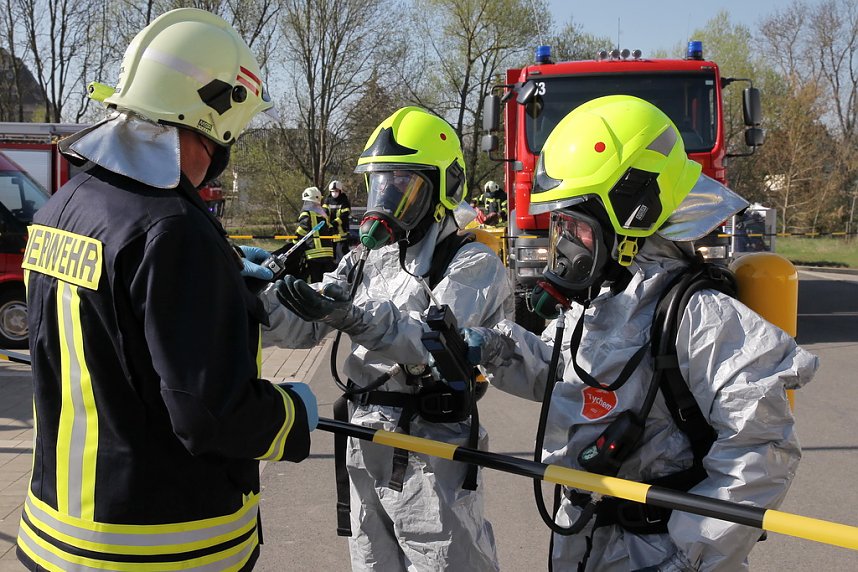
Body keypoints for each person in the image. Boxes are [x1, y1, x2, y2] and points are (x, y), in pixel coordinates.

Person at [15, 9, 317, 572]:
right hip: (163, 543)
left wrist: (221, 278)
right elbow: (210, 416)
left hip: (54, 534)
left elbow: (114, 331)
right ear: (214, 118)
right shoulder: (171, 227)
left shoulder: (63, 207)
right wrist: (293, 416)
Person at [462, 96, 818, 571]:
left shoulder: (698, 313)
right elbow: (559, 374)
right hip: (587, 535)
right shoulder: (604, 299)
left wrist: (690, 556)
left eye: (576, 226)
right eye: (560, 226)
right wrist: (494, 347)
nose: (566, 244)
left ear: (632, 211)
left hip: (657, 548)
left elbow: (761, 447)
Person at [258, 106, 509, 571]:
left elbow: (430, 341)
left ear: (443, 187)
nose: (388, 198)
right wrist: (253, 300)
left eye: (402, 185)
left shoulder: (471, 263)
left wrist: (352, 315)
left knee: (445, 562)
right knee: (372, 563)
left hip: (431, 448)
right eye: (381, 184)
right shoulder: (370, 257)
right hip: (364, 435)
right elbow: (309, 321)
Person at [297, 185, 337, 282]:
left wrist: (295, 242)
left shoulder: (306, 214)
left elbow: (301, 231)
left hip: (313, 255)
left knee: (316, 282)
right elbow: (331, 229)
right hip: (328, 254)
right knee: (328, 281)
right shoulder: (323, 214)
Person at [324, 179, 352, 260]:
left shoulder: (344, 201)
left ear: (340, 191)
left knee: (342, 255)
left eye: (336, 191)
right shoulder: (327, 200)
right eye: (332, 191)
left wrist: (334, 223)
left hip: (341, 234)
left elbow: (344, 215)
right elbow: (324, 212)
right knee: (331, 257)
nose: (334, 193)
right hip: (330, 234)